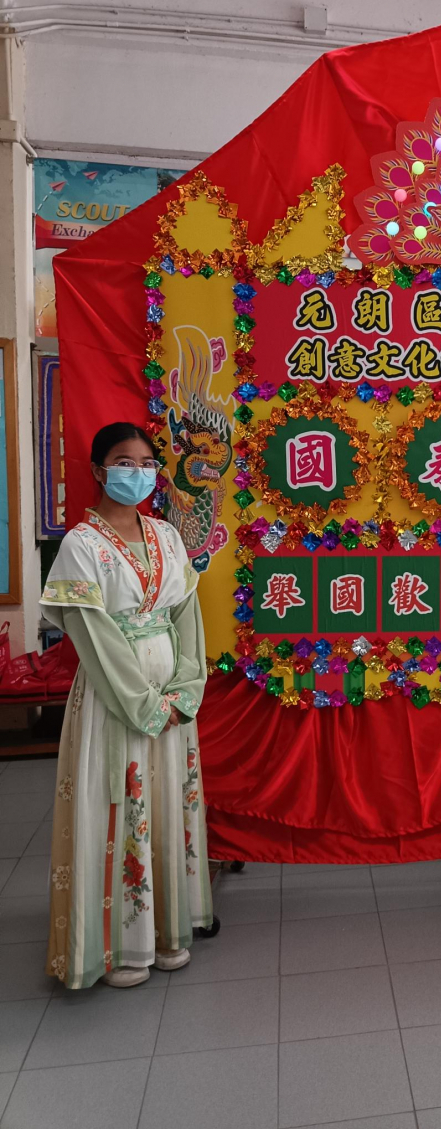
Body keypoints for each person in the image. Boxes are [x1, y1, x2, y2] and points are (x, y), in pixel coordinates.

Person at [40, 422, 212, 988]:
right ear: (98, 470)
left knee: (166, 804)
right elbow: (92, 635)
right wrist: (143, 703)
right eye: (123, 462)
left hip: (172, 695)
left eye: (144, 463)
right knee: (120, 803)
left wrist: (187, 687)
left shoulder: (167, 535)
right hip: (115, 698)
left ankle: (168, 931)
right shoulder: (80, 546)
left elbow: (187, 615)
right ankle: (121, 946)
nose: (136, 472)